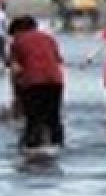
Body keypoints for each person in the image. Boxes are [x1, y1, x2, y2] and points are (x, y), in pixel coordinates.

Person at [8, 16, 65, 150]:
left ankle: (32, 150)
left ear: (18, 30)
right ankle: (58, 147)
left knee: (33, 120)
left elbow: (15, 70)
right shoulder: (49, 38)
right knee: (54, 118)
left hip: (33, 82)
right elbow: (58, 60)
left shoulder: (18, 41)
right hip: (55, 81)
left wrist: (16, 97)